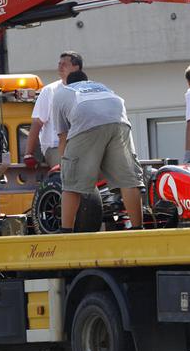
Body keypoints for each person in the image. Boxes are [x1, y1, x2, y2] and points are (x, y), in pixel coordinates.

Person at [52, 71, 143, 233]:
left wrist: (64, 164)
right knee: (128, 180)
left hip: (86, 120)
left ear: (66, 83)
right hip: (119, 121)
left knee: (72, 183)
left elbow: (63, 136)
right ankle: (138, 227)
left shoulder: (62, 93)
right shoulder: (102, 87)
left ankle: (65, 230)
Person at [23, 51, 83, 168]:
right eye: (59, 64)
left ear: (76, 67)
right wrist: (28, 154)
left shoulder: (86, 89)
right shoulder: (49, 90)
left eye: (64, 64)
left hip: (81, 145)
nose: (60, 67)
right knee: (69, 169)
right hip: (55, 147)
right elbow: (37, 122)